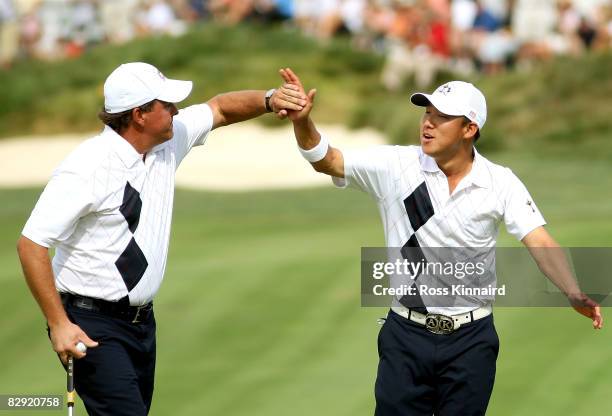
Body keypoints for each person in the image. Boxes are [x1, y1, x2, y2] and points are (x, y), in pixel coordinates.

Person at [277, 68, 603, 415]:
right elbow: (327, 160)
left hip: (471, 340)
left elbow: (538, 239)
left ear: (469, 129)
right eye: (427, 114)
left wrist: (571, 290)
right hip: (405, 335)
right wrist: (302, 123)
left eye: (442, 117)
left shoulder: (500, 182)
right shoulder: (396, 165)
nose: (427, 124)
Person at [16, 62, 306, 416]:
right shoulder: (87, 167)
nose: (176, 111)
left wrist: (270, 98)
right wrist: (59, 324)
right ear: (139, 115)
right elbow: (31, 243)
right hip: (90, 325)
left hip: (141, 325)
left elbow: (219, 108)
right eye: (166, 105)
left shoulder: (168, 140)